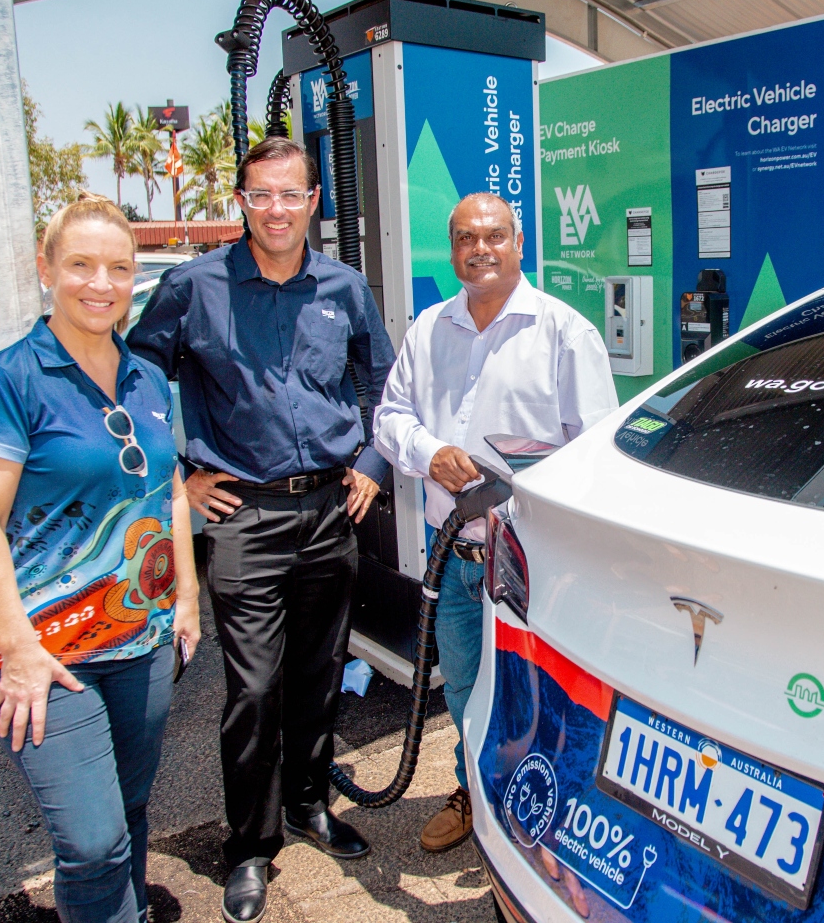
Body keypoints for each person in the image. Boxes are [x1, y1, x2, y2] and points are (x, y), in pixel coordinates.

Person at [126, 137, 393, 923]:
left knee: (319, 673)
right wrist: (179, 477)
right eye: (261, 195)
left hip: (331, 511)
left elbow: (385, 380)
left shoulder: (343, 286)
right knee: (252, 689)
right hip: (242, 517)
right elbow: (133, 380)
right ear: (241, 201)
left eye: (291, 195)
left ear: (314, 202)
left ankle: (309, 805)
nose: (277, 210)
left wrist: (374, 462)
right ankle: (249, 845)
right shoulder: (193, 286)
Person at [0, 193, 201, 923]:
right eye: (81, 265)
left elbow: (170, 492)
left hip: (142, 639)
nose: (102, 284)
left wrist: (187, 600)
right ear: (46, 269)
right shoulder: (6, 381)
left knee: (128, 810)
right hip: (43, 653)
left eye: (119, 268)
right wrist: (18, 651)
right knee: (91, 842)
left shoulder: (146, 377)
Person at [373, 192, 618, 853]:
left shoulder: (565, 334)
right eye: (464, 237)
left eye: (493, 236)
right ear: (451, 249)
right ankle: (476, 791)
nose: (479, 249)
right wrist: (430, 453)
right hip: (451, 554)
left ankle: (543, 809)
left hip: (530, 563)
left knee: (537, 695)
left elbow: (595, 458)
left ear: (519, 243)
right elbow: (390, 418)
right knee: (463, 689)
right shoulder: (428, 330)